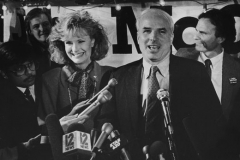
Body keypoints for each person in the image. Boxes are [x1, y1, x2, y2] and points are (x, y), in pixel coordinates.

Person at [96, 8, 226, 160]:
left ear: (171, 37)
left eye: (161, 31)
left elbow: (213, 124)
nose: (153, 38)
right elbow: (105, 123)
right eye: (146, 31)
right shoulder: (118, 77)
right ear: (138, 37)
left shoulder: (195, 72)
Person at [38, 11, 113, 133]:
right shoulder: (50, 79)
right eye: (69, 42)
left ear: (93, 41)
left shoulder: (110, 75)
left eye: (80, 41)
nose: (74, 49)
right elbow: (43, 128)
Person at [175, 9, 240, 121]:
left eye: (203, 33)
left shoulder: (236, 69)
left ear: (220, 38)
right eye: (197, 30)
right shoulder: (181, 56)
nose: (195, 37)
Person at [0, 41, 51, 160]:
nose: (29, 72)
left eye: (30, 65)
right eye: (19, 69)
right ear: (4, 74)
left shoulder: (46, 83)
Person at [25, 8, 59, 77]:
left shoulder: (61, 47)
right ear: (30, 31)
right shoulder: (27, 54)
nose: (42, 29)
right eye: (36, 26)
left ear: (51, 25)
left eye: (45, 24)